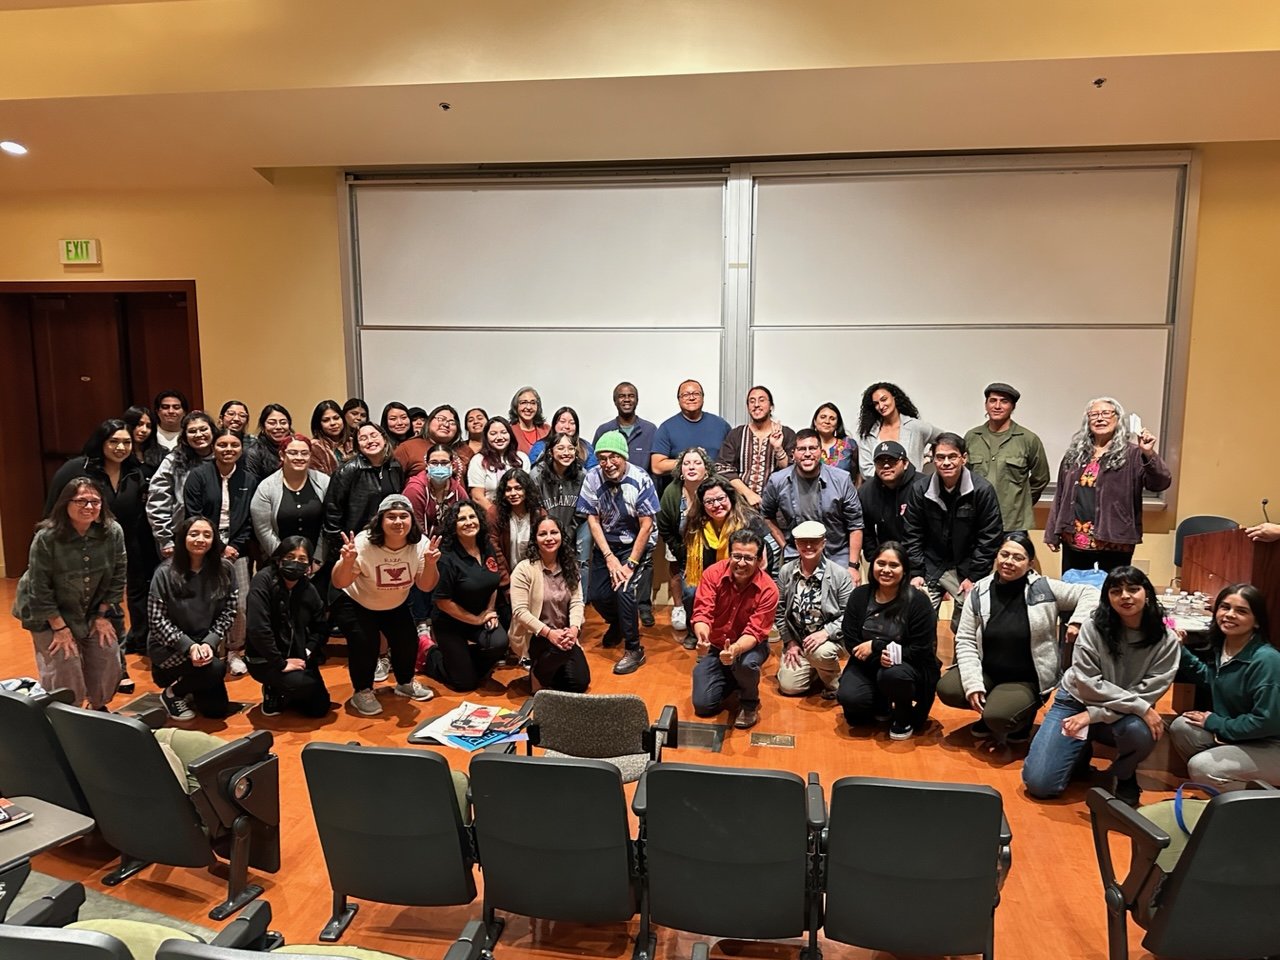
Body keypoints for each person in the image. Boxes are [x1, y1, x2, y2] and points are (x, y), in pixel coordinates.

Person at [1022, 566, 1179, 806]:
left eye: (1133, 589)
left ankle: (1125, 773)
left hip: (1122, 711)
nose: (1125, 596)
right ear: (1107, 597)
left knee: (1141, 732)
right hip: (1076, 702)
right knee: (1040, 785)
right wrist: (1138, 708)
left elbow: (1149, 690)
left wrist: (1093, 716)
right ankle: (1080, 749)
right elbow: (1088, 685)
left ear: (1147, 593)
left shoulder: (1166, 639)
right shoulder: (1093, 628)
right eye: (1116, 591)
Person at [938, 532, 1100, 745]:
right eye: (1004, 554)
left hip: (1026, 677)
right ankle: (991, 710)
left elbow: (1091, 593)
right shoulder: (979, 591)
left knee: (999, 717)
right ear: (997, 556)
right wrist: (973, 684)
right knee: (948, 689)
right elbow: (966, 639)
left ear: (1030, 563)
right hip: (989, 670)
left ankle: (1015, 714)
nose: (1009, 562)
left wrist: (1078, 621)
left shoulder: (1044, 588)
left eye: (1018, 557)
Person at [12, 477, 126, 710]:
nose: (89, 507)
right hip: (46, 612)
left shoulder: (112, 532)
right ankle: (66, 714)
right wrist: (60, 628)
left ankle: (97, 708)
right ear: (66, 503)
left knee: (108, 655)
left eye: (95, 501)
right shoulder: (47, 537)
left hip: (92, 607)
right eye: (81, 501)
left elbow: (118, 575)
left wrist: (102, 615)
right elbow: (39, 587)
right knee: (65, 666)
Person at [45, 419, 153, 666]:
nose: (120, 447)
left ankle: (118, 664)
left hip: (120, 547)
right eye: (113, 441)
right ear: (101, 442)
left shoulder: (136, 472)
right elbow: (53, 510)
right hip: (80, 547)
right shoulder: (76, 469)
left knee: (112, 606)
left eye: (126, 442)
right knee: (86, 603)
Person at [330, 494, 439, 715]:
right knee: (364, 643)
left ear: (411, 519)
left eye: (403, 516)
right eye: (391, 517)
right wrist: (348, 561)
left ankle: (405, 683)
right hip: (356, 600)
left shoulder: (421, 544)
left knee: (407, 640)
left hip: (395, 601)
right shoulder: (363, 542)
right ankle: (362, 691)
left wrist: (430, 564)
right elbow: (339, 582)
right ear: (380, 520)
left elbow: (426, 586)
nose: (398, 522)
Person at [1170, 584, 1280, 789]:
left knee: (1202, 767)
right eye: (1225, 607)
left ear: (1256, 622)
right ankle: (1230, 784)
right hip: (1246, 736)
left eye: (1241, 611)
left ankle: (1265, 806)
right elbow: (1210, 680)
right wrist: (1180, 650)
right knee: (1182, 727)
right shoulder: (1225, 647)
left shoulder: (1267, 660)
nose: (1229, 615)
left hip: (1272, 743)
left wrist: (1215, 722)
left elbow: (1266, 722)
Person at [1044, 397, 1171, 574]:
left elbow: (1160, 483)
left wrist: (1148, 454)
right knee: (1076, 593)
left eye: (1106, 413)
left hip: (1115, 541)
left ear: (1117, 419)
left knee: (1113, 594)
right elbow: (1061, 495)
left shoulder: (1133, 453)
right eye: (1093, 414)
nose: (1099, 418)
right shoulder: (1075, 454)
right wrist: (1052, 531)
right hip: (1074, 540)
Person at [837, 541, 940, 740]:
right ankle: (880, 701)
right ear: (872, 565)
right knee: (852, 706)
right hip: (867, 663)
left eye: (894, 565)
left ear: (904, 570)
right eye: (880, 563)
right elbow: (850, 640)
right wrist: (877, 658)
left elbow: (921, 648)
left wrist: (877, 646)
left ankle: (903, 718)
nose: (886, 570)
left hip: (909, 666)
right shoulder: (859, 595)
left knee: (892, 674)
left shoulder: (918, 601)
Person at [578, 430, 659, 675]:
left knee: (624, 590)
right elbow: (592, 520)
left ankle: (634, 649)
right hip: (608, 543)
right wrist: (609, 557)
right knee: (598, 594)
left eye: (614, 457)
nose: (608, 463)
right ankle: (618, 624)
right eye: (602, 458)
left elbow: (647, 525)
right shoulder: (592, 478)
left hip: (636, 543)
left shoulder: (640, 478)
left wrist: (630, 563)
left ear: (624, 457)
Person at [902, 432, 1003, 628]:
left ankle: (962, 660)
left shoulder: (982, 490)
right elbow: (912, 534)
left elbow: (990, 537)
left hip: (966, 567)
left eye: (952, 456)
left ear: (964, 458)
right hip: (929, 564)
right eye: (940, 457)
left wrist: (975, 576)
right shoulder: (920, 489)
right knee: (918, 616)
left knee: (967, 620)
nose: (946, 462)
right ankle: (927, 660)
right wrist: (916, 573)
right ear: (933, 459)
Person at [184, 427, 260, 675]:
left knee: (239, 603)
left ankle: (235, 651)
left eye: (234, 446)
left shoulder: (248, 479)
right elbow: (192, 515)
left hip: (237, 550)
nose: (228, 450)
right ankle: (210, 647)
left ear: (241, 449)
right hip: (203, 546)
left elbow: (250, 518)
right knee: (207, 600)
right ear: (214, 447)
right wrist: (215, 546)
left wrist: (234, 546)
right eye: (223, 445)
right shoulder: (198, 475)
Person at [147, 517, 236, 720]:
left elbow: (229, 611)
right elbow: (157, 621)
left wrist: (209, 642)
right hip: (171, 651)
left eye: (207, 535)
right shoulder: (164, 572)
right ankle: (172, 693)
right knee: (216, 668)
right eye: (193, 534)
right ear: (182, 538)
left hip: (204, 648)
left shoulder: (225, 569)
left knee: (216, 711)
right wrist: (189, 647)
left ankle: (189, 687)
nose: (200, 539)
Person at [690, 528, 779, 730]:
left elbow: (755, 631)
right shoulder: (712, 574)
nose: (741, 563)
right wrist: (702, 637)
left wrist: (735, 650)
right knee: (703, 706)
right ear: (729, 555)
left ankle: (749, 703)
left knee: (746, 665)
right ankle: (732, 675)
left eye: (748, 558)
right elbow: (702, 612)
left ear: (759, 560)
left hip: (749, 647)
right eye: (736, 556)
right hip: (715, 645)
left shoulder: (768, 589)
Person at [673, 478, 774, 649]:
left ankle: (742, 637)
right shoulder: (693, 523)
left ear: (730, 497)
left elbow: (763, 558)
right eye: (710, 501)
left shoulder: (749, 520)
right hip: (708, 576)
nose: (716, 505)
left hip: (743, 575)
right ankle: (697, 632)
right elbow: (687, 556)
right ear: (702, 504)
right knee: (690, 591)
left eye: (721, 498)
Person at [424, 501, 510, 692]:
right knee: (464, 684)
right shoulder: (446, 557)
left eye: (472, 517)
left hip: (480, 615)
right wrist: (477, 619)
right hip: (450, 623)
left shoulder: (486, 545)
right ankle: (429, 654)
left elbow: (493, 582)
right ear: (453, 525)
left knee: (500, 643)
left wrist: (490, 610)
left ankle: (462, 662)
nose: (469, 522)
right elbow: (443, 601)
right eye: (461, 519)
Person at [760, 429, 864, 580]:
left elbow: (856, 524)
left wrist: (853, 566)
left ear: (821, 452)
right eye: (802, 449)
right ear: (793, 454)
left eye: (812, 448)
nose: (807, 454)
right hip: (797, 555)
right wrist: (785, 546)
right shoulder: (777, 481)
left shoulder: (842, 480)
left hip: (836, 555)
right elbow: (767, 515)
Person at [244, 536, 330, 717]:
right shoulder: (263, 580)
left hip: (298, 656)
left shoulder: (308, 589)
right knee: (303, 684)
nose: (295, 563)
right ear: (279, 558)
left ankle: (287, 691)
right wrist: (280, 663)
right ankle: (273, 688)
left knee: (319, 709)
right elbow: (258, 628)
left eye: (302, 559)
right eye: (290, 557)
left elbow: (321, 626)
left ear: (309, 565)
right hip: (265, 659)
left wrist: (308, 650)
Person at [776, 521, 855, 700]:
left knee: (820, 653)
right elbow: (780, 611)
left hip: (831, 640)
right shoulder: (786, 572)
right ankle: (815, 668)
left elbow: (850, 615)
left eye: (814, 541)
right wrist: (790, 642)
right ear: (796, 544)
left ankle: (832, 681)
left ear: (824, 543)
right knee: (789, 687)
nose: (809, 546)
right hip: (799, 640)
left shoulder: (839, 574)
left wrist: (825, 633)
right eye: (803, 542)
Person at [510, 516, 590, 692]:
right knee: (561, 651)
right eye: (542, 534)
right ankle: (538, 673)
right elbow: (520, 611)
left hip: (564, 634)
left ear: (562, 535)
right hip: (538, 635)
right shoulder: (524, 569)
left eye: (554, 532)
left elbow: (577, 601)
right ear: (535, 539)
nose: (549, 538)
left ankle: (548, 675)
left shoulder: (570, 566)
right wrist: (550, 634)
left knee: (579, 683)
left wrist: (574, 630)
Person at [963, 382, 1050, 534]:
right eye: (993, 400)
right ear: (986, 405)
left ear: (1013, 407)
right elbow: (964, 476)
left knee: (1013, 558)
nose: (997, 406)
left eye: (1004, 401)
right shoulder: (972, 437)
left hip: (1014, 523)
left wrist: (1022, 501)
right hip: (977, 520)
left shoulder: (1028, 439)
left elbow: (1041, 477)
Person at [322, 423, 405, 571]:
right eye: (363, 438)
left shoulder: (395, 467)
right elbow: (332, 513)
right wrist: (342, 548)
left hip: (388, 543)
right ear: (357, 445)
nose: (370, 441)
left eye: (374, 435)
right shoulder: (347, 470)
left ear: (384, 439)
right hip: (357, 545)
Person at [654, 446, 715, 641]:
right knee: (690, 592)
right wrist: (681, 552)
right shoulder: (672, 492)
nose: (691, 467)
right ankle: (692, 629)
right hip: (685, 552)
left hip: (716, 553)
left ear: (706, 468)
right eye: (686, 463)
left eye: (697, 463)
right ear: (680, 469)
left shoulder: (717, 487)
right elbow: (664, 527)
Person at [251, 434, 331, 575]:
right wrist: (285, 559)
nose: (299, 457)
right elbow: (263, 529)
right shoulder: (266, 487)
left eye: (304, 453)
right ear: (282, 455)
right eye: (293, 453)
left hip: (318, 564)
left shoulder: (324, 482)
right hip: (279, 563)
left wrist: (317, 560)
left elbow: (329, 523)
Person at [146, 410, 217, 558]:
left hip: (216, 537)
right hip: (179, 537)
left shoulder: (223, 458)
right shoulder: (173, 461)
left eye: (203, 429)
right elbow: (158, 500)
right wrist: (165, 539)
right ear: (184, 437)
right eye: (192, 431)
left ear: (213, 430)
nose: (199, 435)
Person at [715, 385, 796, 507]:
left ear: (771, 407)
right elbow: (723, 468)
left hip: (777, 507)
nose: (756, 404)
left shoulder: (786, 434)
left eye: (762, 400)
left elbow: (792, 470)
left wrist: (778, 448)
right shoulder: (737, 434)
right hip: (740, 505)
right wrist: (748, 494)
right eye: (752, 401)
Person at [530, 432, 589, 590]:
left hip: (573, 527)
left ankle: (579, 602)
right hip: (545, 529)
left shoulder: (582, 475)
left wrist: (568, 531)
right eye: (561, 448)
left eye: (570, 448)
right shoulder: (537, 475)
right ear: (550, 451)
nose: (566, 453)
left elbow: (582, 510)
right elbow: (536, 509)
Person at [488, 468, 545, 628]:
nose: (513, 493)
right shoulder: (495, 514)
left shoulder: (538, 514)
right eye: (508, 489)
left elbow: (544, 551)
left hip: (532, 577)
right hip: (503, 581)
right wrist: (507, 583)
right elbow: (494, 551)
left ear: (527, 490)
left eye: (518, 488)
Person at [857, 440, 928, 563]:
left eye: (892, 460)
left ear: (905, 463)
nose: (885, 466)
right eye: (880, 461)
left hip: (923, 558)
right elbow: (866, 531)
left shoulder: (924, 486)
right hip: (887, 559)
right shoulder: (866, 491)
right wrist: (875, 558)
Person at [651, 380, 731, 481]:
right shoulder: (666, 428)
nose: (691, 398)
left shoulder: (721, 425)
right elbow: (657, 467)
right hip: (680, 491)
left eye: (696, 394)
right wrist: (690, 462)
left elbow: (732, 461)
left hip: (715, 490)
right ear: (679, 399)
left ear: (703, 398)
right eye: (686, 395)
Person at [855, 382, 938, 478]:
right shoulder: (869, 433)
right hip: (880, 490)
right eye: (876, 404)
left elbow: (947, 440)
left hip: (912, 489)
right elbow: (866, 470)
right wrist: (890, 477)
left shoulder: (915, 427)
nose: (881, 406)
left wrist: (928, 457)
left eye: (884, 399)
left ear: (894, 397)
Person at [403, 443, 470, 538]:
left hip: (449, 543)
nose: (439, 467)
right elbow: (415, 529)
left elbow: (468, 518)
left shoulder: (457, 490)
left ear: (453, 465)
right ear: (427, 466)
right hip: (419, 542)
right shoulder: (414, 490)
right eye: (434, 463)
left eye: (444, 463)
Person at [593, 382, 657, 478]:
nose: (627, 399)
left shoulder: (650, 430)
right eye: (622, 396)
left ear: (637, 400)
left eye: (631, 396)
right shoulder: (604, 431)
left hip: (642, 490)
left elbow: (655, 467)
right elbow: (595, 465)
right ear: (615, 401)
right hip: (610, 489)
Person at [466, 416, 529, 513]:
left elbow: (527, 490)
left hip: (519, 513)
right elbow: (477, 496)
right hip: (490, 515)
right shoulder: (478, 460)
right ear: (486, 437)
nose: (499, 437)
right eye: (493, 434)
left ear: (510, 435)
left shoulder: (522, 458)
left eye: (504, 432)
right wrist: (495, 515)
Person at [394, 404, 461, 479]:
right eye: (441, 419)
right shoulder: (407, 448)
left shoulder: (464, 450)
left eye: (452, 422)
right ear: (429, 422)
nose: (446, 424)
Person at [528, 406, 597, 469]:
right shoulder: (540, 446)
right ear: (554, 424)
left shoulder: (585, 447)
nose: (567, 426)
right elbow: (533, 471)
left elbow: (592, 473)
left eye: (572, 423)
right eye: (562, 421)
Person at [242, 404, 292, 481]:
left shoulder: (297, 447)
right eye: (272, 423)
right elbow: (251, 484)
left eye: (283, 422)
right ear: (263, 426)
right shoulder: (254, 452)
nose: (278, 427)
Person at [812, 402, 857, 481]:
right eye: (823, 417)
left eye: (832, 418)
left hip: (844, 492)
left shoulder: (849, 444)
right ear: (815, 421)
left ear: (837, 424)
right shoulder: (807, 446)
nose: (827, 421)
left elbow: (858, 474)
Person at [309, 399, 353, 475]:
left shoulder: (353, 442)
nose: (333, 423)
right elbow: (319, 480)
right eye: (326, 420)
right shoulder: (315, 447)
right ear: (319, 424)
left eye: (336, 418)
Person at [123, 405, 164, 476]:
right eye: (139, 424)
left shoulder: (161, 453)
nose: (144, 430)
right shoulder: (119, 452)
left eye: (148, 426)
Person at [509, 386, 549, 455]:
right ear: (516, 406)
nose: (528, 407)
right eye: (524, 402)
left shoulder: (547, 430)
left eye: (533, 403)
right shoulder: (509, 431)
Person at [459, 407, 488, 477]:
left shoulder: (495, 447)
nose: (476, 422)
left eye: (480, 418)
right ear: (466, 427)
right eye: (471, 420)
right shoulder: (458, 448)